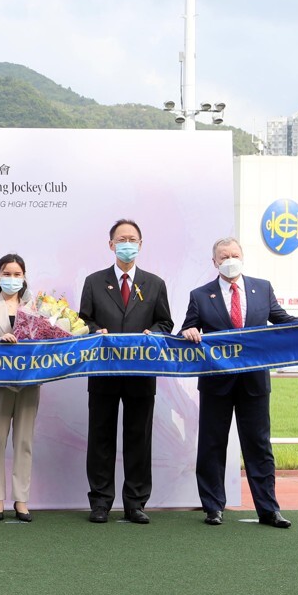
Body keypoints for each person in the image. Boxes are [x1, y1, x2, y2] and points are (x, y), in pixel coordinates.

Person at [180, 237, 297, 528]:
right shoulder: (200, 295)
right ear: (215, 262)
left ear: (242, 257)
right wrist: (189, 330)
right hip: (216, 382)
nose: (229, 259)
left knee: (258, 445)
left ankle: (269, 510)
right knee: (212, 445)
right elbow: (188, 326)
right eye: (223, 256)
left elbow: (282, 319)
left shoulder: (262, 288)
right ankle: (213, 507)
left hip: (255, 382)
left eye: (234, 254)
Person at [77, 219, 173, 524]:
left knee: (138, 438)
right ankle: (101, 502)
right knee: (100, 438)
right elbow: (82, 322)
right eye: (121, 239)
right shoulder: (94, 282)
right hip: (103, 372)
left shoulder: (155, 283)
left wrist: (153, 332)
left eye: (132, 239)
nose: (127, 244)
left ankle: (135, 502)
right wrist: (96, 331)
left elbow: (166, 324)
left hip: (141, 374)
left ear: (141, 245)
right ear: (111, 245)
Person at [0, 253, 39, 523]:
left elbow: (47, 341)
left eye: (17, 274)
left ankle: (21, 501)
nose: (12, 279)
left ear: (24, 277)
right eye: (7, 274)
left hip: (28, 384)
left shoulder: (36, 308)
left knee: (24, 442)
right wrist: (1, 340)